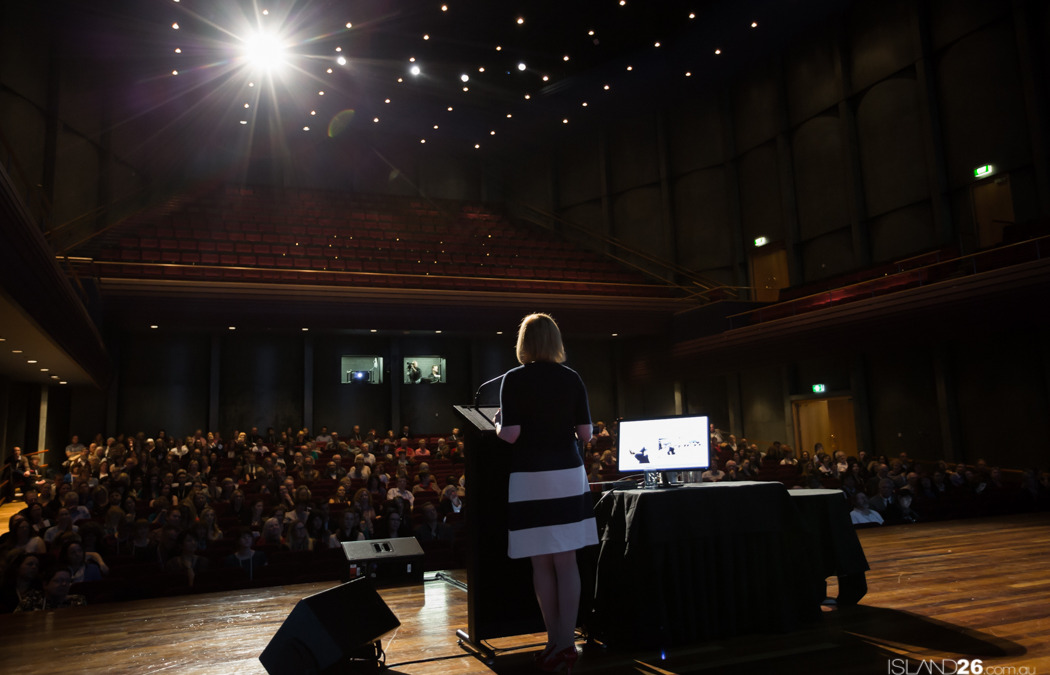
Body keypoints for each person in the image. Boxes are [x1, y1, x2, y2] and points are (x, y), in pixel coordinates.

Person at [494, 313, 596, 672]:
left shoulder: (514, 379)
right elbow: (585, 435)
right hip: (567, 473)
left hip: (531, 475)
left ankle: (555, 641)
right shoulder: (572, 378)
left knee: (541, 561)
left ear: (524, 342)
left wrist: (496, 424)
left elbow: (510, 434)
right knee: (566, 560)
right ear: (555, 341)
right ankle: (565, 644)